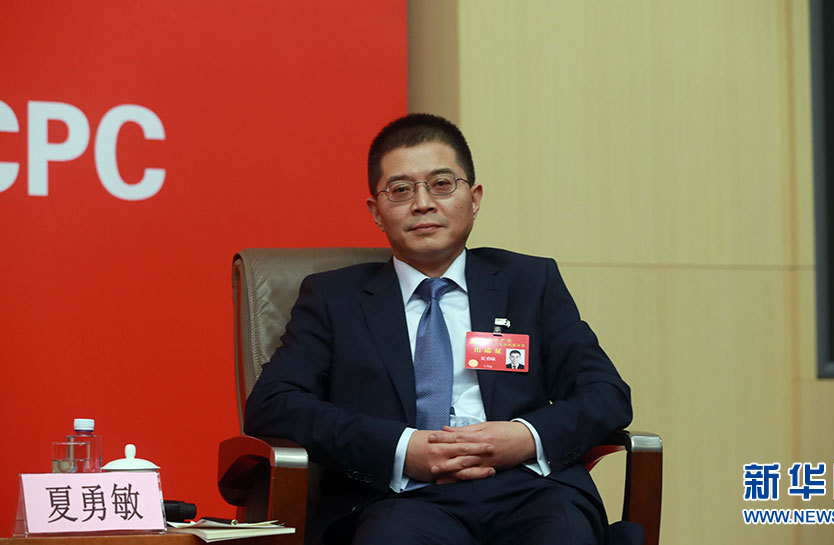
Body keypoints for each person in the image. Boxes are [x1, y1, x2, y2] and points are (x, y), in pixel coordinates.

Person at [244, 113, 639, 545]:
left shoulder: (529, 283)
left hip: (531, 490)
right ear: (376, 212)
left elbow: (606, 393)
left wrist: (524, 436)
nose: (423, 203)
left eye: (441, 184)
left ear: (474, 197)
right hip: (400, 499)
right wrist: (401, 448)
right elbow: (273, 404)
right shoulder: (334, 298)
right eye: (400, 190)